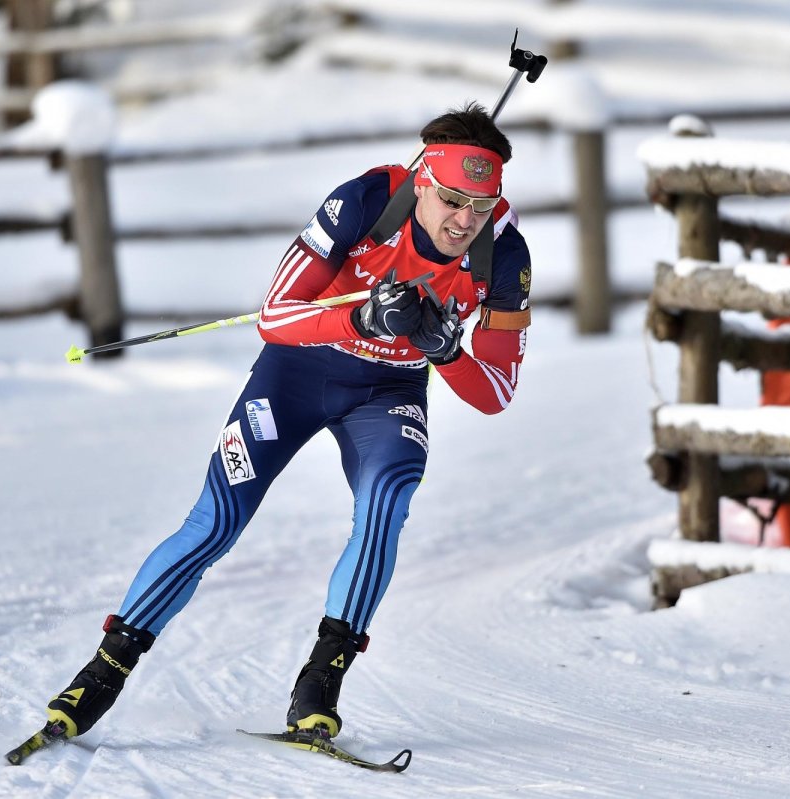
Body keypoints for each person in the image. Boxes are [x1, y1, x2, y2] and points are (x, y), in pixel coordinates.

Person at [42, 102, 532, 742]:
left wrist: (443, 349)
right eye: (452, 202)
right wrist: (360, 320)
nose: (466, 221)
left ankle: (319, 686)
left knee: (387, 499)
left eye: (483, 205)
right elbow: (276, 315)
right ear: (422, 181)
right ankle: (103, 673)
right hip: (296, 374)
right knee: (216, 523)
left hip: (389, 390)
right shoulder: (365, 202)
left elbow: (496, 392)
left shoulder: (504, 254)